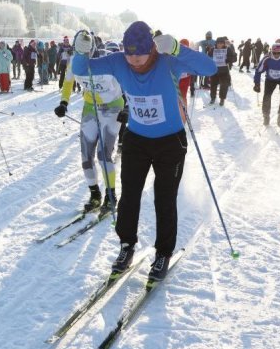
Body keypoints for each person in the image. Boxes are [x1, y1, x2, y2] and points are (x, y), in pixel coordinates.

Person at [70, 22, 217, 282]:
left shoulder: (168, 62)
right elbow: (82, 69)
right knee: (129, 196)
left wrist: (177, 49)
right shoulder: (118, 62)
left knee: (164, 198)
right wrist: (81, 51)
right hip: (137, 140)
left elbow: (209, 68)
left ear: (152, 49)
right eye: (129, 52)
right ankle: (127, 245)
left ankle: (163, 253)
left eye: (139, 53)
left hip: (170, 143)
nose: (133, 59)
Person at [54, 34, 125, 217]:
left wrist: (128, 105)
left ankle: (111, 196)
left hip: (111, 108)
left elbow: (127, 81)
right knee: (86, 155)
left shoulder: (106, 61)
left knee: (103, 154)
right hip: (90, 107)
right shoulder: (75, 61)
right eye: (78, 51)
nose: (82, 54)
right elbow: (68, 80)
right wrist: (64, 102)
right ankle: (95, 195)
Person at [208, 37, 235, 106]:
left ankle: (222, 99)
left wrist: (228, 60)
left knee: (224, 85)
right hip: (214, 70)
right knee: (213, 85)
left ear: (223, 43)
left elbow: (233, 57)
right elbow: (208, 56)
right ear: (216, 43)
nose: (219, 45)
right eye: (218, 43)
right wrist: (208, 50)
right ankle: (213, 98)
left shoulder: (227, 49)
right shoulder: (213, 49)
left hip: (224, 71)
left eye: (221, 43)